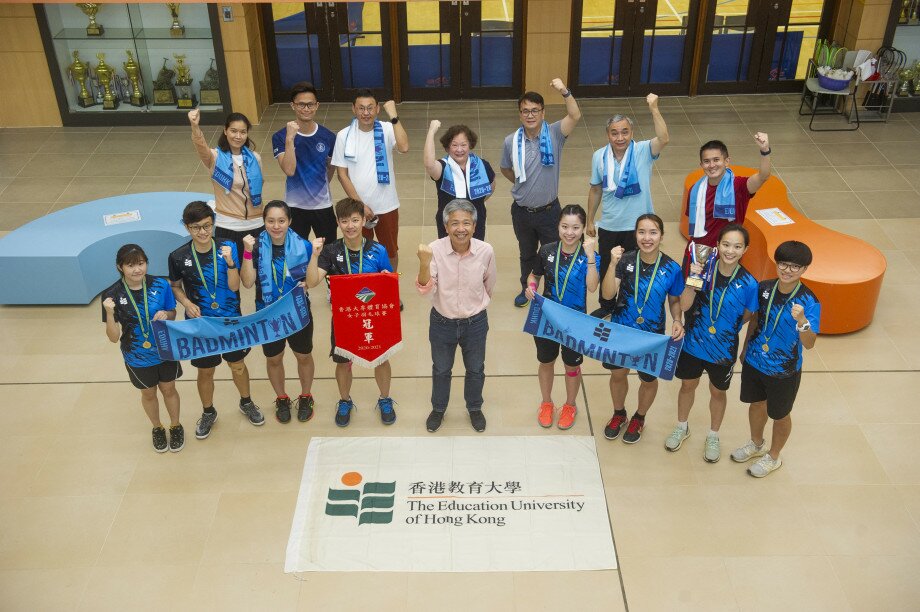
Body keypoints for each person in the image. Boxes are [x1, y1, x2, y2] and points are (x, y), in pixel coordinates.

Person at [167, 201, 264, 440]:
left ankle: (246, 402)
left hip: (230, 321)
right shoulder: (178, 256)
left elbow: (234, 286)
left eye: (207, 226)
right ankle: (208, 411)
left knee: (238, 365)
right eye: (196, 227)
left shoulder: (227, 246)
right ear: (187, 227)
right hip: (201, 324)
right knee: (206, 371)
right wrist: (187, 303)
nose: (202, 232)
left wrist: (231, 262)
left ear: (213, 224)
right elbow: (175, 287)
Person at [668, 224, 759, 462]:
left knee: (718, 391)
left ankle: (713, 435)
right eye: (726, 244)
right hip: (693, 345)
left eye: (737, 246)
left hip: (723, 349)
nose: (730, 250)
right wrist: (692, 280)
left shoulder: (750, 283)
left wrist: (726, 328)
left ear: (745, 249)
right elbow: (685, 306)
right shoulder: (703, 270)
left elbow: (749, 315)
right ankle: (682, 426)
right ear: (717, 245)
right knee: (687, 385)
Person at [732, 241, 820, 478]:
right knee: (756, 403)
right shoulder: (764, 288)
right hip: (755, 361)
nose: (787, 270)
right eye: (783, 263)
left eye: (795, 266)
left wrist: (801, 319)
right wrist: (745, 348)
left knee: (780, 414)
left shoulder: (809, 301)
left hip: (784, 370)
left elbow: (809, 343)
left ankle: (773, 456)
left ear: (804, 269)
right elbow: (755, 320)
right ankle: (756, 443)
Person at [305, 197, 396, 427]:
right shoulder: (330, 251)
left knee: (381, 359)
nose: (350, 226)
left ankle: (385, 399)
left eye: (355, 220)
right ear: (338, 222)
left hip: (374, 317)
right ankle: (344, 401)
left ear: (364, 220)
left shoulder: (378, 250)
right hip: (345, 319)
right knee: (343, 363)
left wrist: (387, 279)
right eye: (344, 221)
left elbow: (389, 286)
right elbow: (313, 281)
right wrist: (314, 255)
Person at [600, 214, 685, 444]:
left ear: (661, 236)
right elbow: (608, 294)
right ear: (635, 234)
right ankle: (619, 413)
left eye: (653, 232)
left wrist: (677, 320)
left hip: (651, 336)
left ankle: (639, 417)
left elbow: (675, 300)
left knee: (648, 380)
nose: (647, 238)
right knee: (618, 374)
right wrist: (612, 264)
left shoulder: (672, 268)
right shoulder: (625, 261)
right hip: (621, 331)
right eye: (641, 232)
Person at [416, 199, 497, 433]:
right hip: (442, 322)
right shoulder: (434, 250)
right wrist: (424, 262)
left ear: (474, 226)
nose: (460, 229)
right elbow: (425, 290)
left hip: (476, 322)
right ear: (446, 227)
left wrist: (477, 306)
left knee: (475, 369)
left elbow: (489, 284)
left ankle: (474, 408)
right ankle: (438, 409)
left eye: (466, 223)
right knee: (441, 369)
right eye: (454, 223)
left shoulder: (486, 251)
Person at [501, 78, 582, 308]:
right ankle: (526, 289)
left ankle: (551, 293)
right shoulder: (510, 141)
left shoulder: (555, 134)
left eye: (535, 110)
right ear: (519, 115)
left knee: (553, 254)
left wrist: (564, 91)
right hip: (522, 212)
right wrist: (522, 184)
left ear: (543, 113)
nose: (530, 115)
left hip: (549, 212)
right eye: (525, 111)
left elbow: (575, 115)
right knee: (526, 254)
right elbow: (506, 168)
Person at [586, 94, 670, 313]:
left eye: (624, 132)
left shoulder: (643, 150)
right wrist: (589, 220)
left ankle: (630, 308)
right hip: (610, 225)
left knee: (636, 271)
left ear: (631, 132)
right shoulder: (599, 156)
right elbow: (595, 189)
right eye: (614, 133)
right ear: (608, 135)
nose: (620, 137)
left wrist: (654, 109)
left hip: (638, 227)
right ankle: (606, 306)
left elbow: (663, 138)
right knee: (608, 268)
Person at [240, 200, 317, 424]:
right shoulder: (254, 247)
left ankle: (306, 396)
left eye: (281, 221)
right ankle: (281, 397)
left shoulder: (304, 245)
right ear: (264, 222)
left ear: (289, 221)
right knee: (274, 358)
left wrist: (307, 284)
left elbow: (312, 281)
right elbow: (247, 282)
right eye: (270, 221)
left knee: (303, 355)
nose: (276, 226)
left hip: (296, 311)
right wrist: (245, 253)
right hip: (267, 312)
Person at [102, 244, 182, 453]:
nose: (137, 269)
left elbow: (173, 312)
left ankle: (175, 425)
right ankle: (157, 428)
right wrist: (110, 314)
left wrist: (166, 314)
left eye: (141, 263)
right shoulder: (111, 295)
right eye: (131, 266)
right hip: (137, 356)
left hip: (165, 349)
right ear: (120, 267)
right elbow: (113, 338)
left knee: (169, 389)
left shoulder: (160, 285)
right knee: (148, 394)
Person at [525, 204, 599, 430]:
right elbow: (534, 275)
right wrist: (531, 286)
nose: (570, 232)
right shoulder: (546, 251)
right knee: (546, 361)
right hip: (547, 318)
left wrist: (589, 257)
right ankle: (546, 403)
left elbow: (593, 287)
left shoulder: (591, 256)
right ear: (558, 226)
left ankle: (570, 405)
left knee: (571, 365)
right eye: (565, 226)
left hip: (575, 323)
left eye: (576, 227)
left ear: (583, 229)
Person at [332, 89, 409, 273]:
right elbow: (342, 174)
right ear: (353, 109)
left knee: (390, 251)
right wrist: (360, 205)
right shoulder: (344, 135)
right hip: (357, 208)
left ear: (377, 109)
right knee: (359, 251)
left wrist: (394, 116)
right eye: (361, 108)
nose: (366, 113)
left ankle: (390, 291)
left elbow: (404, 147)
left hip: (387, 204)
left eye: (370, 108)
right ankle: (364, 291)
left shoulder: (387, 128)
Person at [683, 134, 771, 272]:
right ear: (701, 165)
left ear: (726, 161)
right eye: (706, 161)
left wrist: (765, 150)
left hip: (726, 257)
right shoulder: (696, 190)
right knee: (690, 290)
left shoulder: (739, 186)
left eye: (716, 160)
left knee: (719, 293)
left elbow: (763, 176)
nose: (711, 165)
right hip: (698, 254)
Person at [189, 108, 265, 258]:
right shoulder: (214, 157)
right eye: (233, 131)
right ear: (225, 131)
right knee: (230, 275)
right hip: (228, 226)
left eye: (243, 132)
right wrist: (195, 126)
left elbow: (259, 186)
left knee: (258, 274)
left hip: (256, 224)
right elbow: (200, 146)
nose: (238, 136)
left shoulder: (255, 158)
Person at [272, 82, 338, 245]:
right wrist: (290, 139)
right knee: (296, 255)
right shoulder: (280, 137)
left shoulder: (328, 136)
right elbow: (289, 169)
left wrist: (318, 186)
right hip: (294, 207)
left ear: (317, 106)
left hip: (323, 206)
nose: (306, 109)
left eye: (310, 104)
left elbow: (330, 168)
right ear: (293, 106)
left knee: (328, 253)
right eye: (301, 104)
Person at [424, 120, 495, 240]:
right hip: (449, 225)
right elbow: (429, 165)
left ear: (470, 145)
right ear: (447, 147)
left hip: (475, 223)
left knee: (474, 256)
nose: (459, 149)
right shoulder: (443, 166)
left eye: (463, 145)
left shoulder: (482, 165)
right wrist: (431, 132)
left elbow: (491, 188)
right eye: (454, 145)